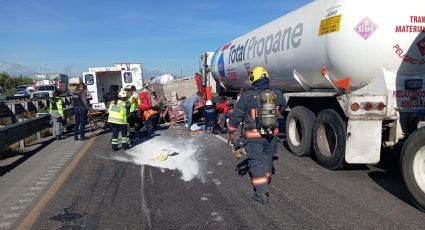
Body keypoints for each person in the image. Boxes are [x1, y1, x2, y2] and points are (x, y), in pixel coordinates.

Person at [227, 66, 286, 204]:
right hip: (272, 135)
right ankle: (265, 181)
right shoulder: (277, 94)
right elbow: (283, 106)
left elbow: (236, 116)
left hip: (254, 137)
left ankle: (261, 193)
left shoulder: (247, 96)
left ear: (253, 79)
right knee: (267, 160)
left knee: (256, 162)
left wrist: (230, 130)